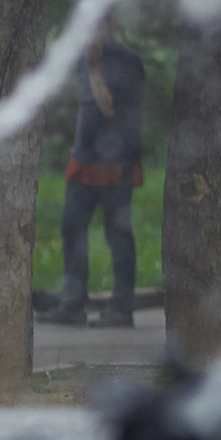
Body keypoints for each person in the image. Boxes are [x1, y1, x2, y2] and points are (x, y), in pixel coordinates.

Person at [49, 23, 147, 328]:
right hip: (84, 160)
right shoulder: (83, 58)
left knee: (117, 235)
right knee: (71, 229)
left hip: (115, 161)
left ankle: (121, 309)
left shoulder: (125, 60)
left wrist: (93, 67)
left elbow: (107, 107)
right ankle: (72, 306)